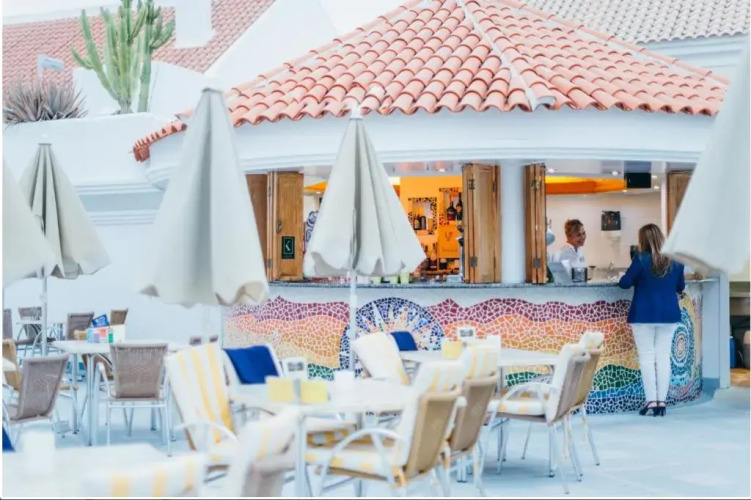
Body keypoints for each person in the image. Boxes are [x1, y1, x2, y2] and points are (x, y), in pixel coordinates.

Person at [619, 223, 685, 417]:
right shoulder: (675, 261)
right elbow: (680, 287)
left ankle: (651, 402)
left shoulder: (640, 259)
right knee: (663, 358)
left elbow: (624, 284)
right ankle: (661, 403)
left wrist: (631, 277)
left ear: (643, 240)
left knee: (647, 358)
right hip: (669, 314)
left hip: (643, 314)